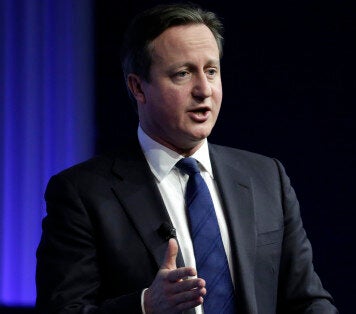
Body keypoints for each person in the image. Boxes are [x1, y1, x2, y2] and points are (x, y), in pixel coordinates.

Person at [35, 3, 337, 314]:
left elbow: (307, 301)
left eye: (211, 71)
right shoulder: (82, 193)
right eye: (183, 73)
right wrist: (145, 306)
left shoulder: (266, 177)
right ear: (138, 87)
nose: (204, 90)